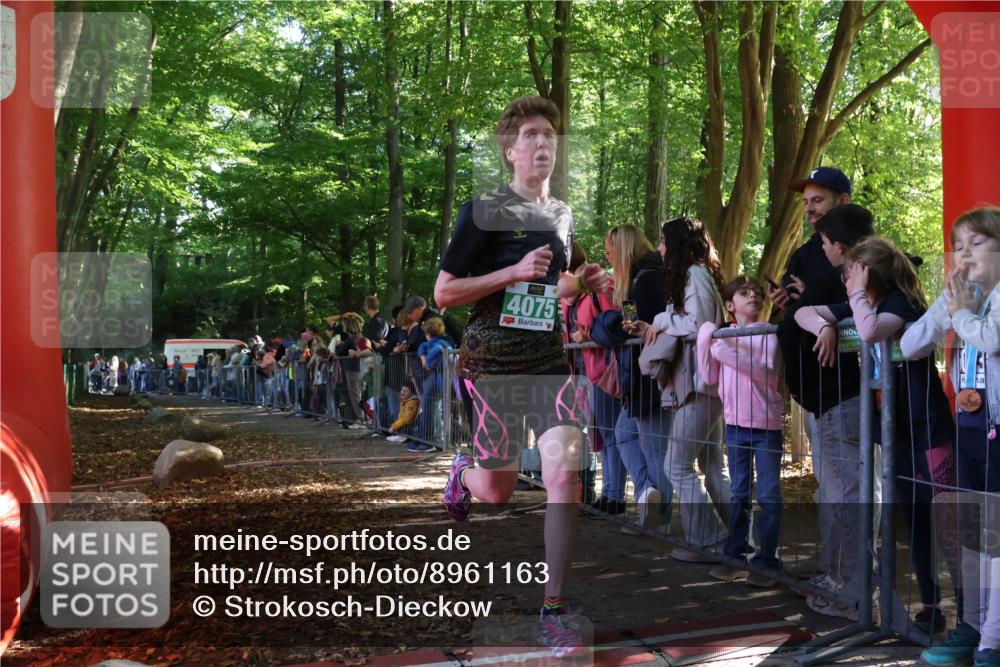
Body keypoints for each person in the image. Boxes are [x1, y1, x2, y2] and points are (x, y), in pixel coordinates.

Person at [435, 96, 609, 658]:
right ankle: (464, 474)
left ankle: (553, 610)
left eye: (549, 136)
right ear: (510, 150)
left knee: (565, 477)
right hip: (491, 362)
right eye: (530, 135)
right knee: (498, 492)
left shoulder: (561, 215)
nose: (542, 143)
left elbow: (548, 290)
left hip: (547, 358)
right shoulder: (482, 211)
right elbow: (444, 293)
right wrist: (510, 270)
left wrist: (580, 283)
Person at [799, 236, 958, 632]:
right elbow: (803, 313)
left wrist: (856, 293)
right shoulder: (861, 305)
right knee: (915, 518)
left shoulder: (901, 304)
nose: (845, 280)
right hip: (895, 433)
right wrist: (826, 327)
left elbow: (870, 331)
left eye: (851, 273)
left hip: (928, 429)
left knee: (949, 521)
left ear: (869, 275)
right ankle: (931, 608)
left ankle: (972, 613)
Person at [902, 207, 1000, 667]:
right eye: (957, 246)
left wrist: (961, 314)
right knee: (974, 533)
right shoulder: (963, 297)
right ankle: (975, 626)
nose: (964, 254)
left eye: (976, 243)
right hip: (969, 429)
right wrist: (947, 305)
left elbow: (991, 339)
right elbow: (910, 345)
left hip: (997, 431)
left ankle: (992, 641)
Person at [769, 168, 854, 578]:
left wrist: (823, 311)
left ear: (843, 200)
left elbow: (868, 303)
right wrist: (789, 304)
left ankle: (851, 578)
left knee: (850, 486)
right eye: (805, 202)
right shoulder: (804, 253)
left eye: (817, 200)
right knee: (829, 482)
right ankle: (830, 562)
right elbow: (799, 307)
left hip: (849, 388)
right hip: (815, 391)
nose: (809, 209)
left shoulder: (864, 250)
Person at [636, 217, 730, 562]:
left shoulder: (695, 275)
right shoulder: (696, 275)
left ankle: (708, 540)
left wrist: (662, 320)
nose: (659, 248)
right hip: (700, 383)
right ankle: (741, 543)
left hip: (699, 384)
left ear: (676, 244)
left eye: (663, 241)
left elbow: (700, 325)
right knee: (712, 467)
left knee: (677, 465)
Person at [697, 277, 784, 586]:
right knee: (739, 492)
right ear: (730, 305)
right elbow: (708, 375)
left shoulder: (769, 333)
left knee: (769, 494)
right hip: (735, 426)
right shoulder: (723, 335)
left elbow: (767, 373)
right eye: (744, 293)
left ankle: (768, 561)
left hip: (766, 427)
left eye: (757, 293)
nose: (753, 296)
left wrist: (725, 352)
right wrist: (706, 335)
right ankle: (737, 556)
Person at [602, 224, 671, 532]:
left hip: (651, 376)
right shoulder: (643, 279)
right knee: (625, 433)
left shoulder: (646, 281)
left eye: (610, 251)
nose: (608, 257)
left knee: (655, 450)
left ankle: (660, 519)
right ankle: (647, 495)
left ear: (623, 251)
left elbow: (649, 328)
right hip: (641, 376)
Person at [561, 242, 623, 514]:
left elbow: (616, 325)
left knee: (609, 434)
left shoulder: (599, 287)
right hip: (581, 374)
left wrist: (589, 336)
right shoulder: (569, 297)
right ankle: (607, 493)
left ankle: (615, 496)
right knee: (598, 435)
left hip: (603, 371)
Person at [406, 317, 456, 452]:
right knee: (432, 406)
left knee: (434, 407)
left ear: (428, 333)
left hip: (440, 376)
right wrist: (423, 357)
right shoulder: (440, 341)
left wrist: (427, 362)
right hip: (437, 376)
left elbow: (435, 350)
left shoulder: (440, 343)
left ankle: (431, 441)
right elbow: (422, 347)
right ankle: (433, 440)